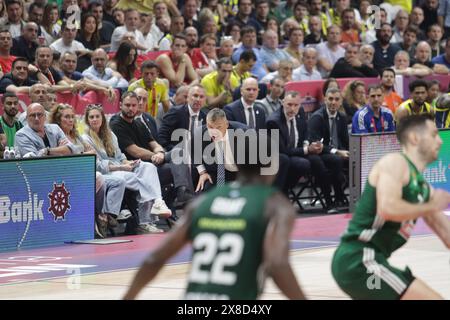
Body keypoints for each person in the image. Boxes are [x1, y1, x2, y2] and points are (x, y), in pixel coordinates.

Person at [123, 135, 306, 300]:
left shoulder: (201, 202)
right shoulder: (275, 205)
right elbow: (277, 263)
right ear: (272, 164)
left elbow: (154, 259)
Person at [332, 114, 450, 299]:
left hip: (371, 262)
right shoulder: (396, 162)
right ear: (415, 138)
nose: (440, 141)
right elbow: (388, 208)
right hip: (358, 260)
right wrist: (430, 207)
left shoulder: (423, 188)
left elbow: (447, 234)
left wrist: (431, 206)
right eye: (434, 134)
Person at [82, 103, 172, 234]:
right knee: (144, 181)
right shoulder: (86, 139)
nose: (95, 119)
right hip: (108, 172)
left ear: (102, 118)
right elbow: (97, 166)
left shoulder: (110, 135)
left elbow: (119, 155)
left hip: (121, 167)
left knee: (148, 167)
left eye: (97, 116)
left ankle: (158, 201)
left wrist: (128, 163)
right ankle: (145, 221)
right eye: (91, 117)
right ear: (87, 120)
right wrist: (121, 167)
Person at [14, 103, 82, 157]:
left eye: (39, 114)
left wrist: (47, 151)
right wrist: (59, 150)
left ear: (45, 116)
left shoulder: (55, 128)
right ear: (27, 118)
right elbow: (34, 160)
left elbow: (71, 149)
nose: (36, 118)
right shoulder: (21, 135)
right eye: (32, 115)